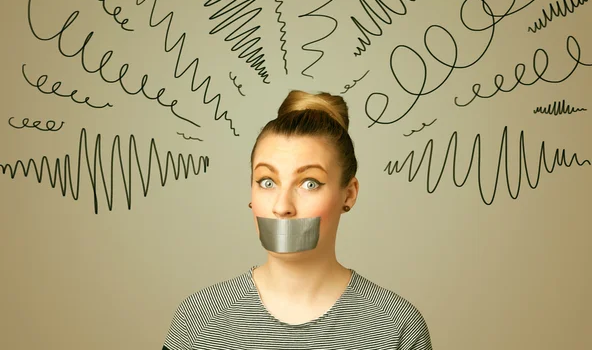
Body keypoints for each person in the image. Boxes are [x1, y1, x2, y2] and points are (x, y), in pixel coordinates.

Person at [162, 90, 433, 350]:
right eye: (267, 182)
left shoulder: (397, 327)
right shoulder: (197, 321)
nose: (282, 207)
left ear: (348, 195)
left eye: (310, 184)